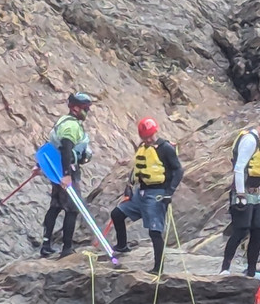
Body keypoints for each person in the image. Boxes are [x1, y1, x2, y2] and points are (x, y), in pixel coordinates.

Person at [111, 117, 184, 275]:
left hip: (157, 194)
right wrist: (129, 186)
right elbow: (137, 167)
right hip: (141, 192)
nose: (149, 139)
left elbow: (178, 170)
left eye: (150, 136)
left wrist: (169, 192)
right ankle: (122, 246)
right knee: (117, 214)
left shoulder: (166, 148)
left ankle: (158, 268)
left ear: (156, 132)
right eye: (145, 137)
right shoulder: (142, 148)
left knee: (154, 231)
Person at [221, 111, 260, 276]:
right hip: (243, 190)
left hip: (255, 192)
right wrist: (241, 194)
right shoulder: (250, 140)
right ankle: (225, 268)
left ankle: (251, 270)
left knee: (258, 229)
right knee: (241, 229)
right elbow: (240, 167)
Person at [41, 92, 94, 258]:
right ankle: (67, 248)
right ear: (76, 108)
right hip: (66, 170)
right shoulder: (71, 126)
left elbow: (51, 146)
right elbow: (65, 149)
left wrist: (40, 166)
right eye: (85, 108)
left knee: (55, 206)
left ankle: (46, 244)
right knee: (72, 209)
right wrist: (67, 175)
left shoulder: (63, 121)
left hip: (56, 170)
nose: (87, 112)